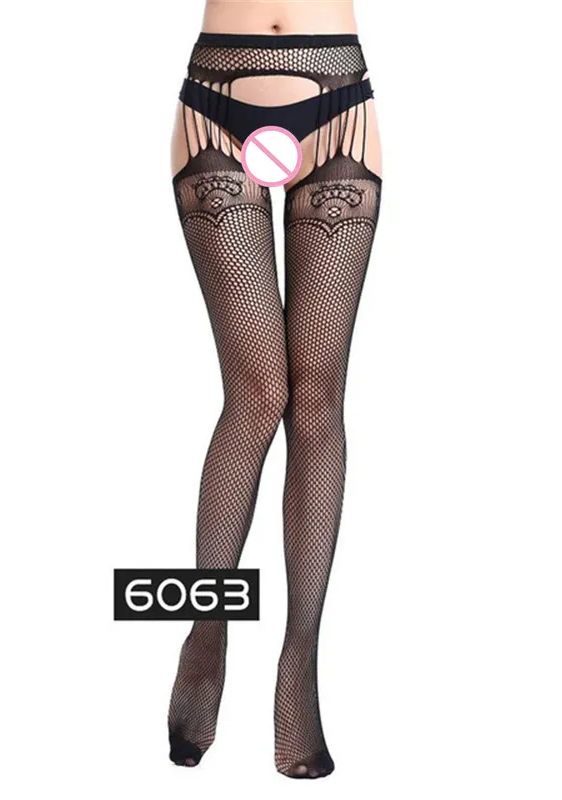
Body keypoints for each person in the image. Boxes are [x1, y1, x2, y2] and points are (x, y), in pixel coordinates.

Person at [168, 0, 382, 779]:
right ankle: (207, 633)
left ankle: (301, 661)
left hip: (340, 109)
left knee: (318, 399)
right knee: (258, 393)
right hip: (215, 105)